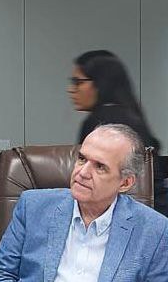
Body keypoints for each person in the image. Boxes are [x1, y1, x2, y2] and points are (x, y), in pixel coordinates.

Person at [0, 123, 168, 282]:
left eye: (100, 167)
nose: (83, 172)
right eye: (82, 159)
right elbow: (0, 276)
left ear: (125, 183)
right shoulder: (32, 207)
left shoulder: (154, 230)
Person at [69, 50, 167, 215]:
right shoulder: (129, 114)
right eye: (82, 159)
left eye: (78, 82)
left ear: (100, 83)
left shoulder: (102, 125)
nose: (71, 89)